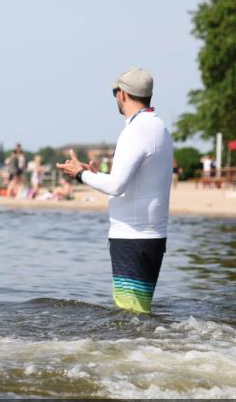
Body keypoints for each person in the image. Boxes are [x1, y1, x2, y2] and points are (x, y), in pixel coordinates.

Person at [56, 67, 173, 314]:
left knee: (130, 318)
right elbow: (136, 181)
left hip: (131, 237)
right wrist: (95, 175)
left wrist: (80, 173)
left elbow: (117, 187)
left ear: (122, 94)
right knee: (140, 313)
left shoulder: (135, 130)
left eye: (114, 92)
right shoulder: (159, 127)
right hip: (152, 237)